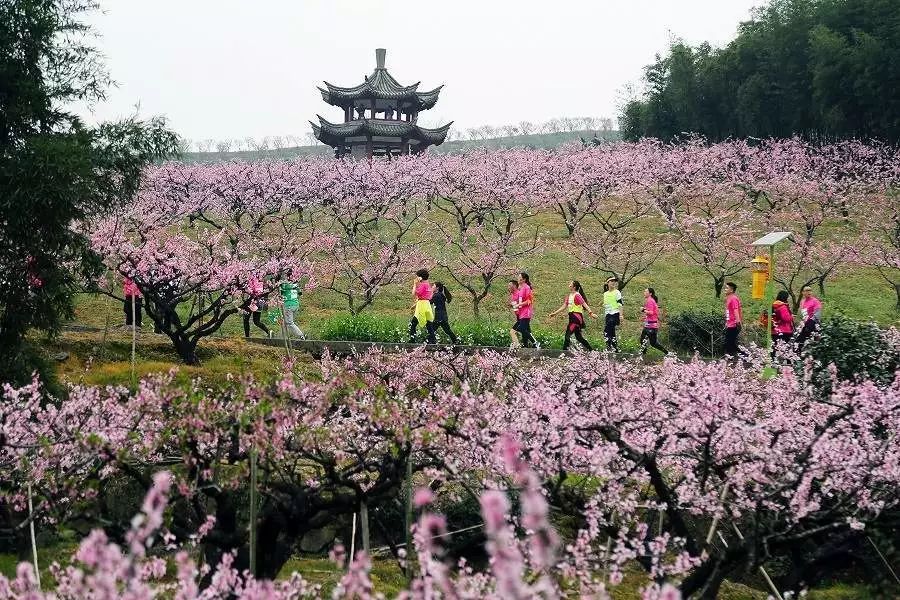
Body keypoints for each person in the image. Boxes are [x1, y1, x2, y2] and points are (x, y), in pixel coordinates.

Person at [549, 280, 597, 351]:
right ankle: (592, 350)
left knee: (567, 335)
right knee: (579, 337)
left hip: (576, 318)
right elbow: (564, 306)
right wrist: (555, 313)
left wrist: (591, 313)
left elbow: (584, 304)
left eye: (570, 285)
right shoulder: (569, 296)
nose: (569, 286)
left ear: (574, 287)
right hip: (572, 317)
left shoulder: (577, 295)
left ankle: (564, 352)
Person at [510, 272, 539, 349]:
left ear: (524, 279)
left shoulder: (527, 288)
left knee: (522, 329)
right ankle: (526, 346)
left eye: (519, 277)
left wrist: (518, 305)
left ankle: (535, 343)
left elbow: (529, 301)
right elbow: (519, 300)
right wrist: (515, 306)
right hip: (521, 313)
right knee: (526, 330)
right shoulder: (521, 289)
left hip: (526, 312)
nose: (518, 279)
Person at [409, 269, 435, 343]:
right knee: (429, 323)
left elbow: (413, 293)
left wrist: (414, 284)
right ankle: (432, 340)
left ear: (420, 277)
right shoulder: (427, 284)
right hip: (426, 304)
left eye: (417, 276)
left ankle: (412, 340)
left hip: (422, 306)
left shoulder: (423, 285)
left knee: (413, 323)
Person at [639, 287, 667, 356]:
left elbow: (651, 312)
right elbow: (652, 312)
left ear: (650, 293)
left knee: (649, 342)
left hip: (651, 327)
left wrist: (643, 310)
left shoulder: (650, 301)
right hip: (650, 325)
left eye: (646, 291)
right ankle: (643, 355)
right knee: (647, 342)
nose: (644, 293)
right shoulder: (650, 300)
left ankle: (667, 353)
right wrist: (645, 316)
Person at [243, 274, 272, 338]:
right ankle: (268, 332)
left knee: (246, 319)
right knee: (256, 321)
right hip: (259, 303)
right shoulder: (263, 282)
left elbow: (249, 290)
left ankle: (247, 337)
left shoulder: (253, 281)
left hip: (252, 302)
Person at [602, 277, 624, 352]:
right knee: (611, 332)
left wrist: (621, 315)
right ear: (607, 283)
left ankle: (608, 347)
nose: (613, 282)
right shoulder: (605, 294)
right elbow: (607, 304)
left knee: (606, 331)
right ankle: (616, 349)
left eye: (614, 281)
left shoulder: (617, 292)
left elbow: (620, 304)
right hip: (608, 315)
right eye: (611, 281)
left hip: (615, 314)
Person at [771, 290, 794, 357]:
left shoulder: (773, 305)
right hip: (785, 330)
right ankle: (789, 363)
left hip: (774, 330)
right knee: (788, 347)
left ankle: (772, 361)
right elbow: (786, 319)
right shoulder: (782, 306)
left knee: (774, 347)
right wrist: (792, 317)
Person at [723, 281, 742, 358]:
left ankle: (731, 358)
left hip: (734, 324)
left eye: (727, 288)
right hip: (730, 324)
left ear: (731, 290)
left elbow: (735, 310)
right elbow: (728, 311)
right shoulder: (728, 298)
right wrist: (727, 322)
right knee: (731, 343)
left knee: (729, 343)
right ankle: (744, 357)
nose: (725, 289)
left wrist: (738, 322)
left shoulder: (733, 299)